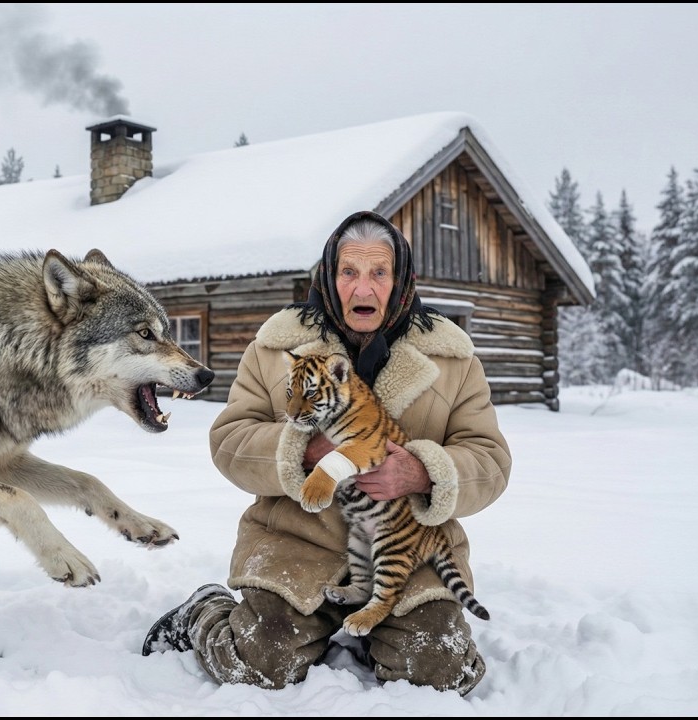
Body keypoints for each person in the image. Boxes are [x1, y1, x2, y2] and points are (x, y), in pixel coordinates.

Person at [140, 210, 512, 696]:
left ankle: (376, 629)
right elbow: (229, 440)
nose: (363, 289)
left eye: (379, 273)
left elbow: (491, 459)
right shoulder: (278, 345)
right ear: (328, 277)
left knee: (436, 668)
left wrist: (423, 472)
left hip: (405, 548)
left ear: (400, 280)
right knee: (261, 664)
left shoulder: (452, 357)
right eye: (348, 273)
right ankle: (204, 610)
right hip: (296, 542)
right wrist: (303, 448)